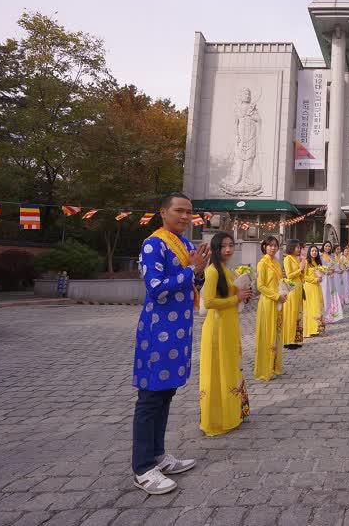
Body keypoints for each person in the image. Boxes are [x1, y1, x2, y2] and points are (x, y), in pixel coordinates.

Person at [132, 192, 208, 495]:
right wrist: (192, 270)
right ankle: (142, 468)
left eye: (189, 212)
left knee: (166, 396)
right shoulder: (154, 244)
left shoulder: (187, 245)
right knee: (149, 399)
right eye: (179, 211)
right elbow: (156, 289)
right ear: (163, 212)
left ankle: (159, 456)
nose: (185, 217)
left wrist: (198, 273)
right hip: (157, 331)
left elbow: (194, 285)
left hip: (179, 331)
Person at [199, 231, 253, 437]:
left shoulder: (226, 270)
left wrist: (243, 295)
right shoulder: (213, 271)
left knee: (229, 367)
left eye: (231, 245)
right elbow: (210, 302)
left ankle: (232, 412)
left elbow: (232, 294)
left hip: (229, 325)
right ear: (215, 248)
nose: (228, 249)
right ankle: (217, 419)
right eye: (223, 246)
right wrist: (236, 297)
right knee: (217, 370)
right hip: (217, 328)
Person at [254, 236, 287, 382]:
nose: (273, 248)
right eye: (270, 245)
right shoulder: (263, 264)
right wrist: (276, 296)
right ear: (264, 247)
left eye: (275, 245)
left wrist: (285, 290)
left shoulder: (277, 263)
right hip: (268, 302)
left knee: (277, 334)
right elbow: (260, 286)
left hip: (278, 301)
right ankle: (264, 369)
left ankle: (274, 366)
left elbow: (280, 281)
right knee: (268, 334)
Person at [281, 239, 305, 349]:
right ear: (291, 248)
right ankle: (288, 340)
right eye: (297, 247)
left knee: (297, 314)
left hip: (299, 288)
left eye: (299, 247)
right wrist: (299, 269)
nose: (299, 249)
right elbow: (289, 275)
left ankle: (295, 339)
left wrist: (302, 271)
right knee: (291, 314)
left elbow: (300, 274)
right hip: (292, 290)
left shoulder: (296, 258)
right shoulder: (287, 259)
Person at [303, 245, 326, 337]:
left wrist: (321, 277)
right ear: (309, 252)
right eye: (312, 251)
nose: (314, 253)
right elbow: (304, 276)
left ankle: (317, 328)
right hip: (309, 287)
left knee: (317, 306)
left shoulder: (317, 262)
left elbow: (320, 274)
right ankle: (310, 329)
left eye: (316, 251)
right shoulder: (306, 262)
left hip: (317, 287)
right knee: (310, 307)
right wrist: (315, 280)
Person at [321, 242, 344, 323]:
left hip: (331, 278)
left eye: (329, 246)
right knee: (325, 296)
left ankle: (331, 315)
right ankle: (325, 315)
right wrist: (327, 271)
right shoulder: (320, 256)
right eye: (326, 246)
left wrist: (334, 270)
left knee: (331, 296)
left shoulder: (331, 256)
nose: (327, 247)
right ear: (323, 246)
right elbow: (319, 268)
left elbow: (334, 266)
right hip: (324, 279)